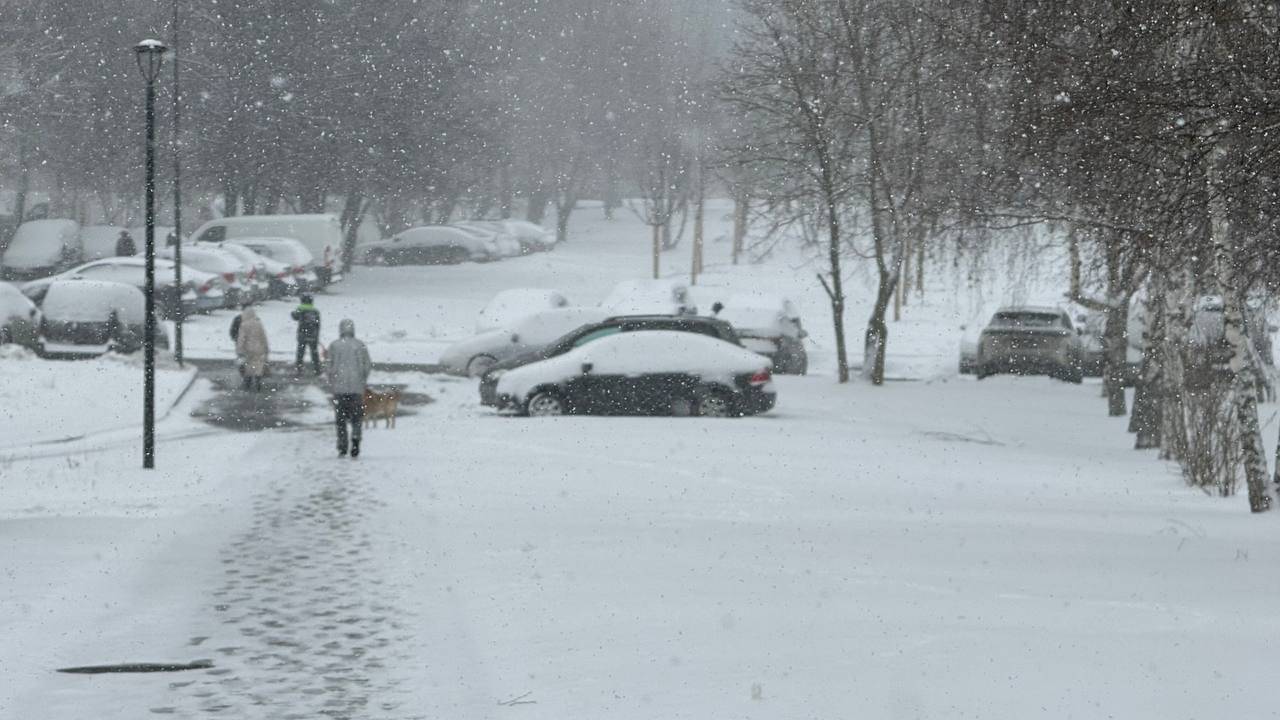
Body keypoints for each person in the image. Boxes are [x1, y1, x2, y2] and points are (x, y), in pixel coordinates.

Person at [327, 318, 372, 458]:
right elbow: (366, 366)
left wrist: (333, 380)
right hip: (356, 389)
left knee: (340, 420)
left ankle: (342, 446)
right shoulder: (360, 346)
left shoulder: (334, 346)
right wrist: (362, 380)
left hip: (339, 389)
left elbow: (329, 367)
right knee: (356, 418)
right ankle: (356, 441)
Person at [235, 306, 270, 392]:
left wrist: (239, 350)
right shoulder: (258, 323)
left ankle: (248, 383)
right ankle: (258, 382)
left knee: (249, 366)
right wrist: (266, 348)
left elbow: (241, 338)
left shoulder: (244, 325)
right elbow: (263, 337)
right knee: (259, 365)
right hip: (259, 348)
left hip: (248, 349)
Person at [291, 294, 322, 375]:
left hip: (303, 334)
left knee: (300, 352)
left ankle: (299, 369)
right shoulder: (315, 311)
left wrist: (292, 313)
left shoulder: (300, 309)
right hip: (313, 335)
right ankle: (317, 369)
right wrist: (317, 336)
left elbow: (295, 317)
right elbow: (318, 325)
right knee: (314, 353)